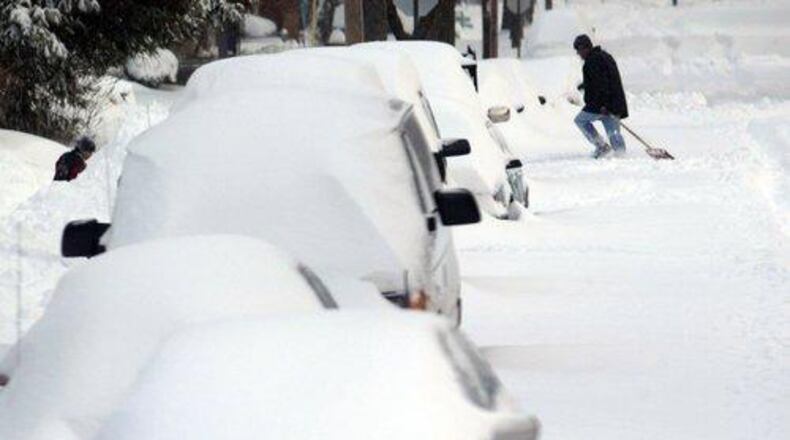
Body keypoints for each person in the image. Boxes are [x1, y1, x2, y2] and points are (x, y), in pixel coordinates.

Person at [572, 34, 629, 159]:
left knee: (580, 120)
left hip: (601, 105)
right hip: (614, 103)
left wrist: (604, 105)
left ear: (585, 48)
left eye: (578, 50)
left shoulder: (592, 61)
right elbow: (607, 79)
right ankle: (621, 156)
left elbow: (602, 84)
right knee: (613, 133)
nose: (578, 54)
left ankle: (602, 147)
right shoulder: (605, 56)